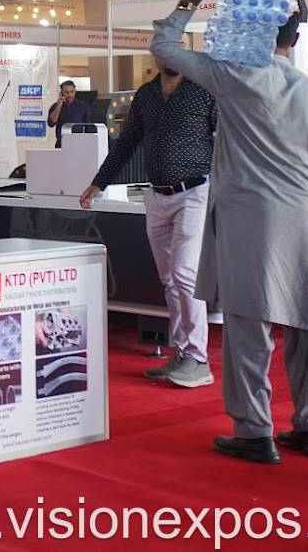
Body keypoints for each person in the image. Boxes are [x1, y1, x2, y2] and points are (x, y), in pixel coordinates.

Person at [152, 0, 308, 464]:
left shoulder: (232, 75)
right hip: (307, 220)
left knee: (248, 325)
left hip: (250, 222)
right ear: (294, 38)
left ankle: (255, 431)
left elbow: (165, 47)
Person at [80, 67, 217, 388]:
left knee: (184, 274)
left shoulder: (204, 90)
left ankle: (198, 359)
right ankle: (183, 353)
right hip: (157, 196)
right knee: (169, 280)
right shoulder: (146, 94)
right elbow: (127, 141)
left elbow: (227, 138)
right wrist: (100, 182)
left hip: (196, 192)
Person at [47, 80, 93, 148]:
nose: (70, 95)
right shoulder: (55, 106)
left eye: (72, 92)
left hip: (78, 144)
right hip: (61, 144)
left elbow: (89, 128)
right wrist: (59, 106)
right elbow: (51, 123)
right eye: (67, 92)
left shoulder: (84, 106)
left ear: (75, 91)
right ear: (61, 93)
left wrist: (87, 145)